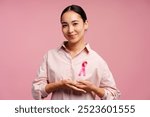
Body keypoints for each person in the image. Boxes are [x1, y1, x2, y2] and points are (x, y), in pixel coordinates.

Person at [32, 5, 120, 100]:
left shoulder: (97, 60)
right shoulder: (50, 56)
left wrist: (93, 88)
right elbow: (36, 91)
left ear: (85, 24)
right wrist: (58, 85)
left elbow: (113, 96)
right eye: (65, 25)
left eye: (75, 24)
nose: (70, 30)